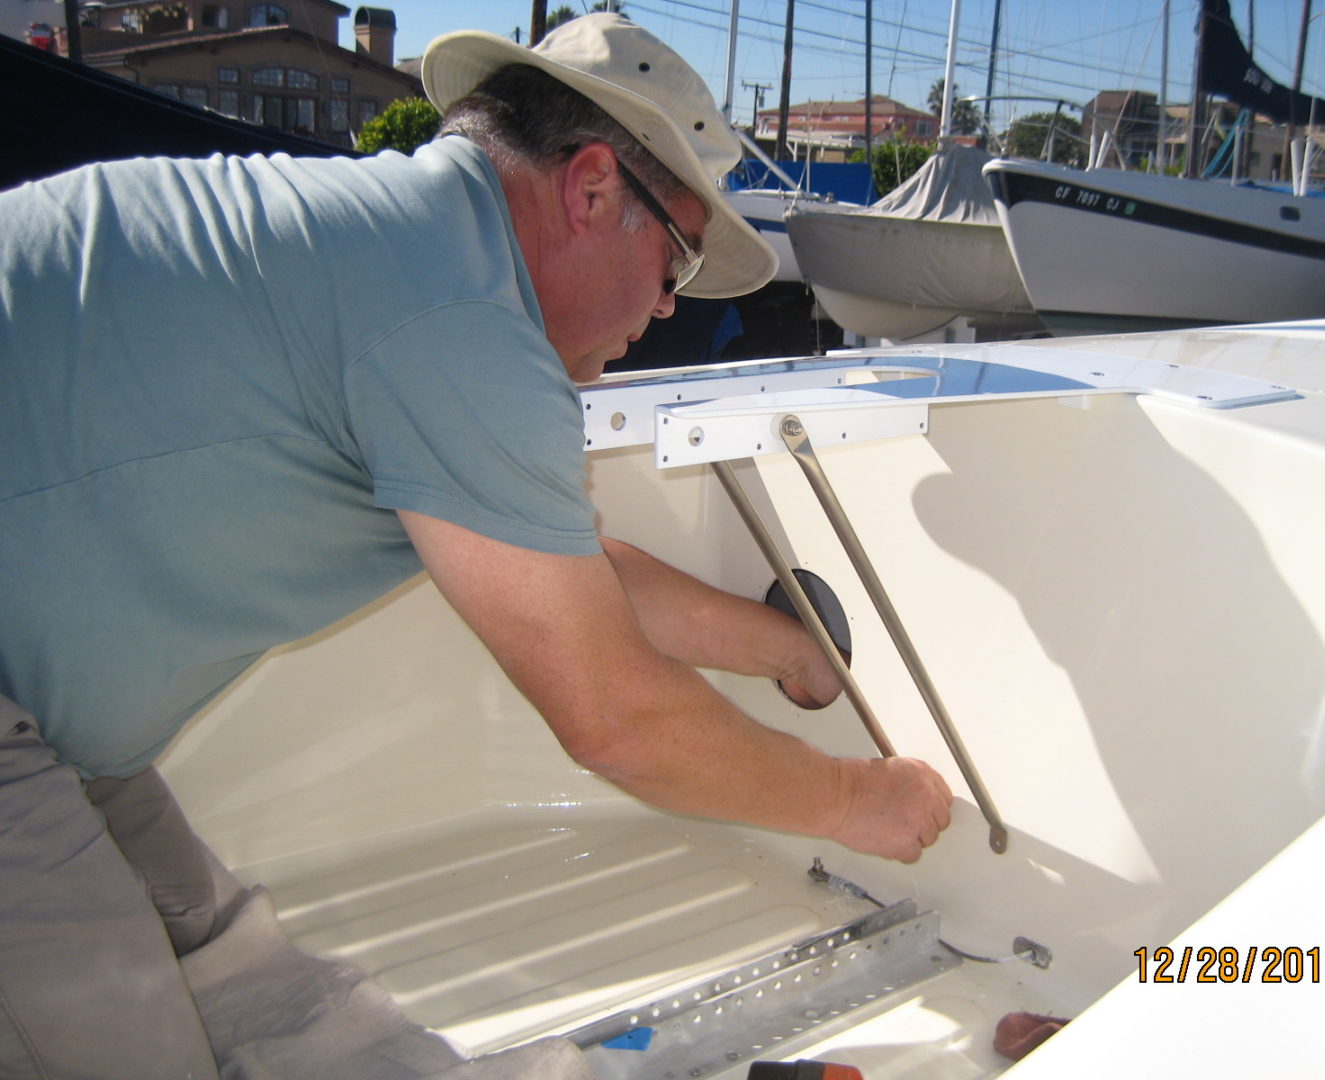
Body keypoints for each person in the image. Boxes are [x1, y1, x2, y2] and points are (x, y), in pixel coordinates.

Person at [0, 14, 954, 1079]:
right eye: (675, 258)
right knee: (130, 1046)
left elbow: (576, 579)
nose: (667, 304)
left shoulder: (410, 255)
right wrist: (856, 803)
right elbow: (615, 721)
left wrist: (789, 654)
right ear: (592, 188)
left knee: (237, 975)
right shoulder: (456, 322)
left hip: (54, 736)